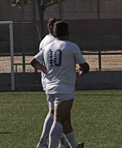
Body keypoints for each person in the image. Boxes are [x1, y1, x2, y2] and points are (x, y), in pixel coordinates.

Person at [31, 20, 88, 148]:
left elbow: (33, 61)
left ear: (54, 33)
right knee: (58, 121)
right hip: (64, 89)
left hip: (50, 89)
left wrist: (43, 68)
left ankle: (74, 146)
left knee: (65, 119)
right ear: (68, 33)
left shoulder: (48, 46)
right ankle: (48, 145)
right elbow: (86, 67)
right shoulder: (72, 46)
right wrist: (81, 71)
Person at [36, 18, 70, 148]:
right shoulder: (51, 41)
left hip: (49, 80)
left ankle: (63, 143)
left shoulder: (45, 40)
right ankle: (42, 143)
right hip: (53, 81)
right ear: (52, 28)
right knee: (54, 112)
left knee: (57, 113)